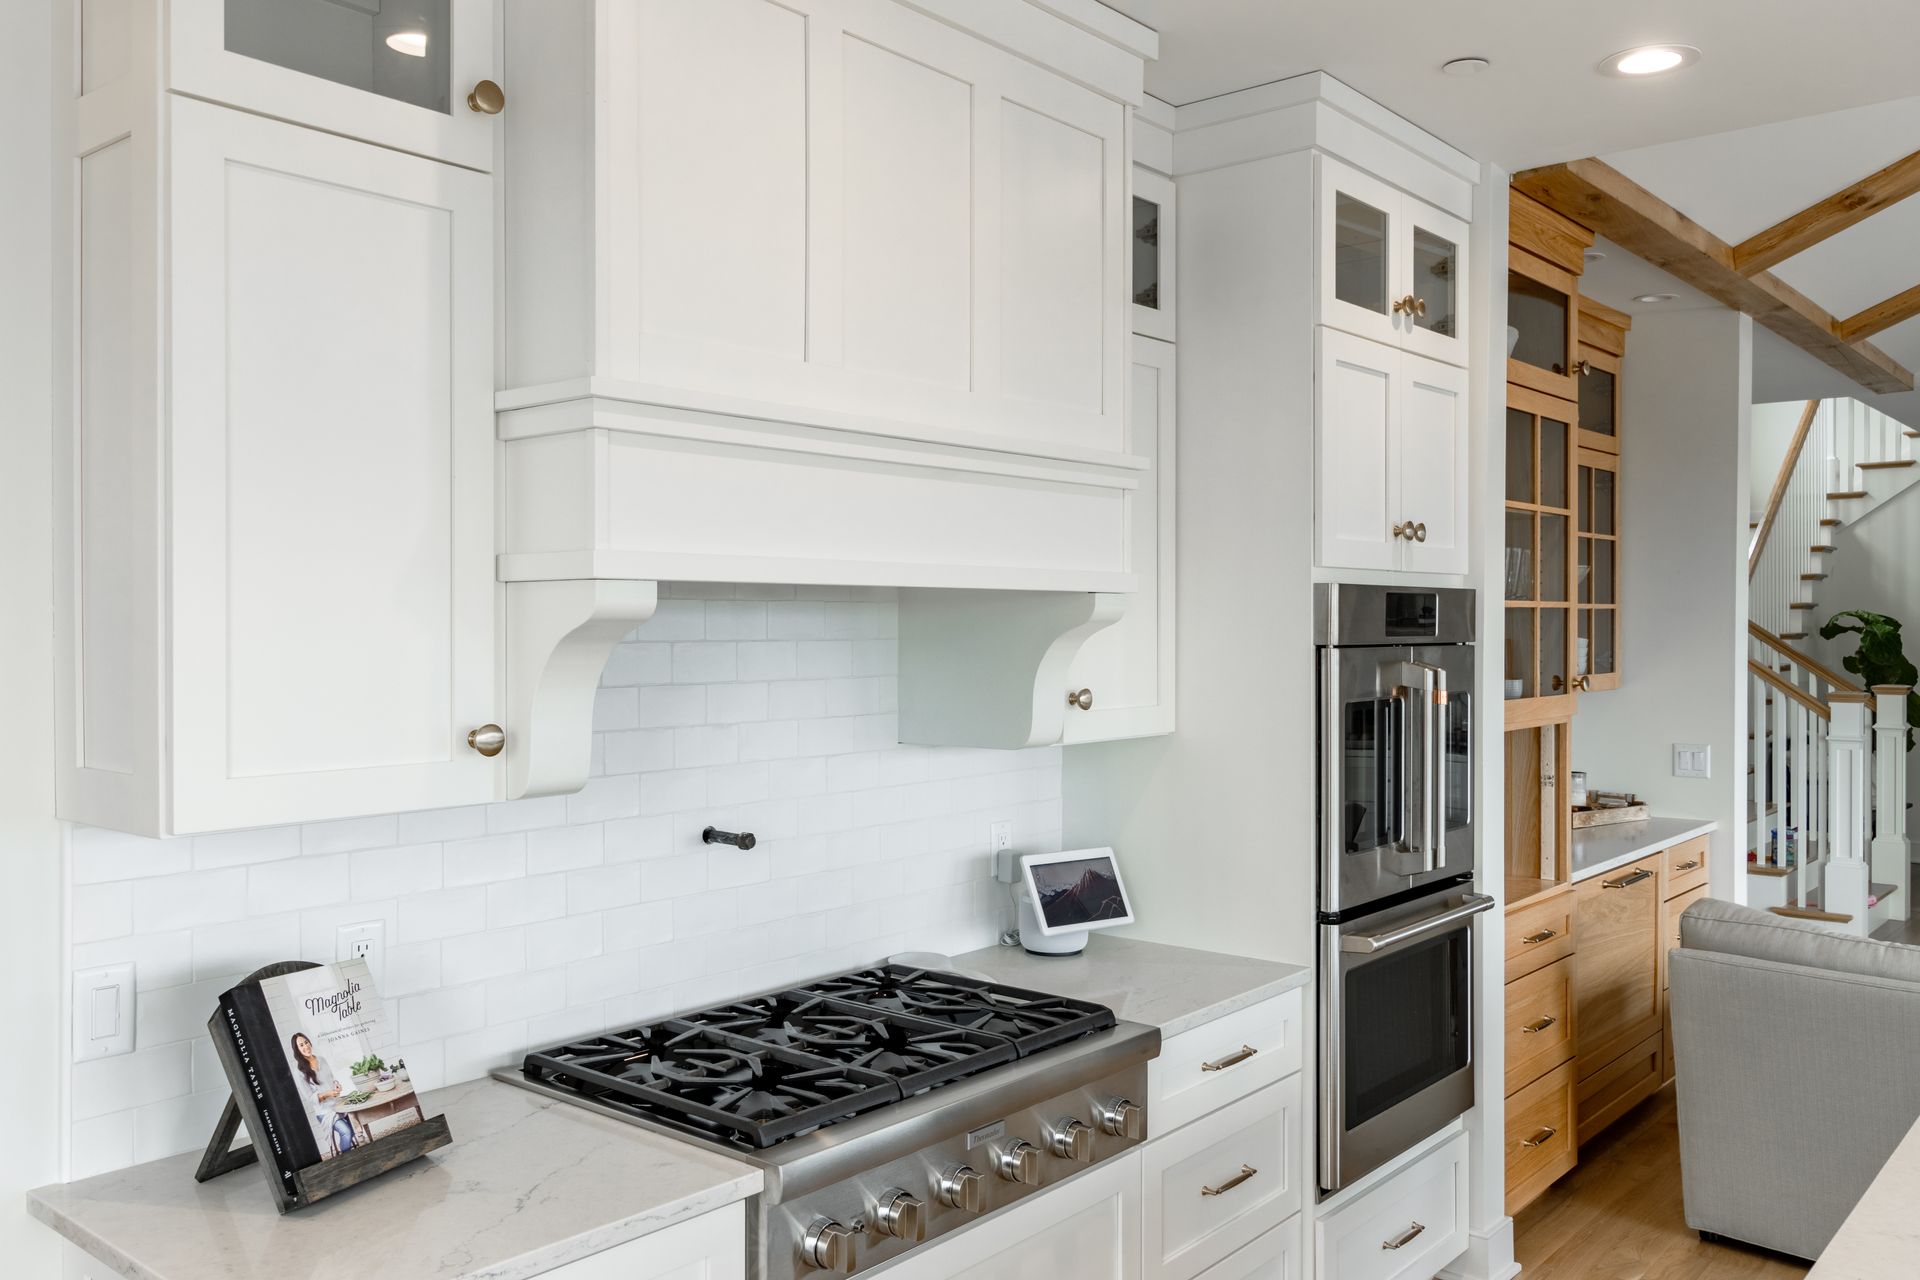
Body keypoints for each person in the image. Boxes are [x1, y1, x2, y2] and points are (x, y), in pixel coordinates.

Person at [289, 1031, 354, 1158]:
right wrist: (327, 1094)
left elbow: (331, 1079)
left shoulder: (321, 1060)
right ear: (297, 1050)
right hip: (325, 1112)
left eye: (306, 1042)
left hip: (339, 1105)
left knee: (354, 1129)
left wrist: (336, 1085)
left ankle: (350, 1155)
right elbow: (309, 1098)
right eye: (301, 1045)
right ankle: (347, 1160)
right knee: (346, 1132)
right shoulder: (299, 1071)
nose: (305, 1046)